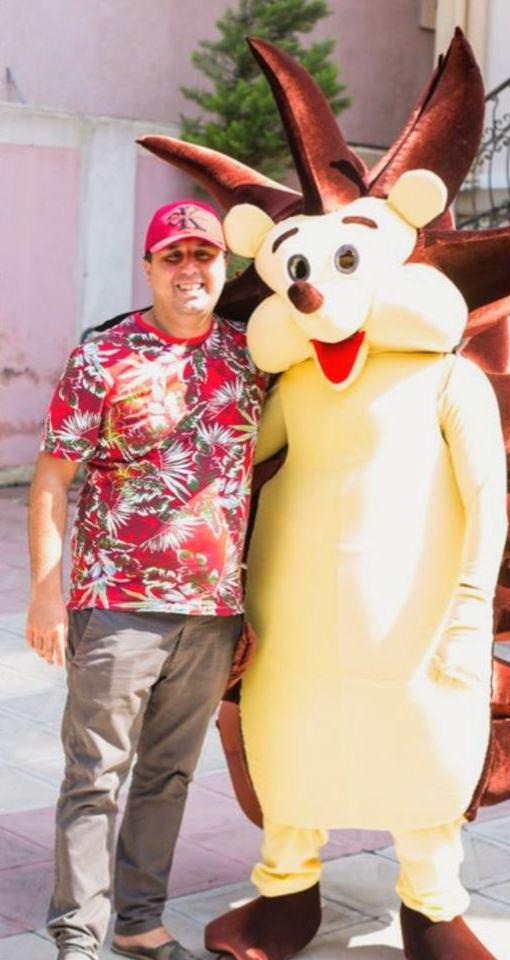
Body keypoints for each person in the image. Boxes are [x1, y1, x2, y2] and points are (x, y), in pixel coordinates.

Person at [26, 199, 266, 960]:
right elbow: (52, 479)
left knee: (168, 774)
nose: (189, 269)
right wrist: (46, 592)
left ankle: (138, 922)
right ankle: (77, 934)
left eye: (203, 255)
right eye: (174, 256)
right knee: (95, 774)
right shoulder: (104, 356)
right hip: (117, 604)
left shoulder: (251, 356)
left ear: (223, 265)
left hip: (213, 608)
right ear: (150, 268)